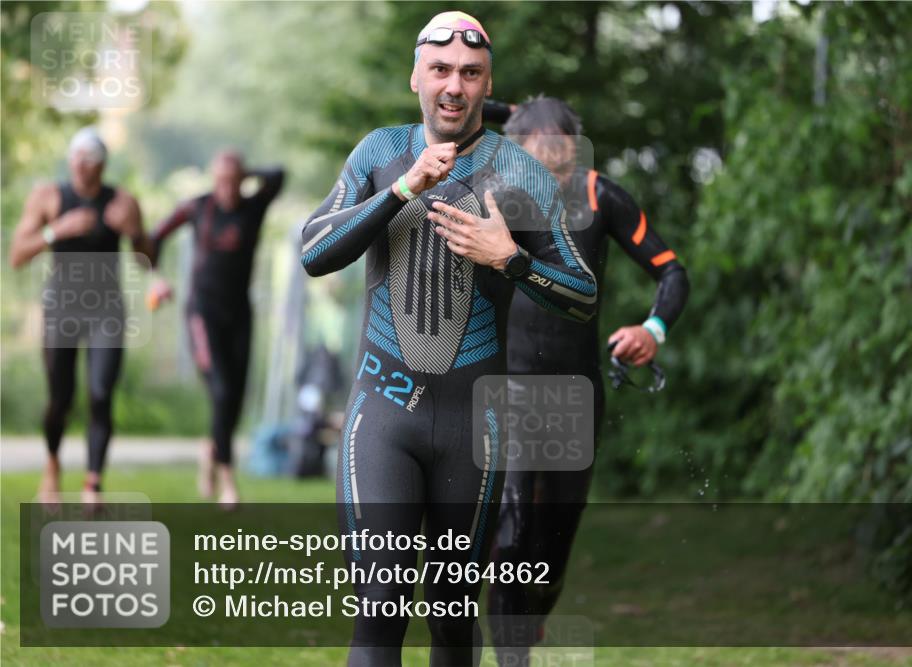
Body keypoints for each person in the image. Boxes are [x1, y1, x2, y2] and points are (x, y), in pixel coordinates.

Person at [300, 12, 597, 667]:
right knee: (380, 608)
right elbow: (314, 251)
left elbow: (583, 292)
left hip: (474, 423)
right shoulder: (380, 154)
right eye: (440, 70)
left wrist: (511, 259)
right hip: (384, 413)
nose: (454, 85)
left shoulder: (519, 173)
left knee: (452, 622)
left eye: (470, 73)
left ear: (488, 84)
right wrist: (402, 191)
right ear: (417, 77)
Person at [488, 96, 690, 666]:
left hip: (576, 394)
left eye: (562, 165)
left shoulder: (602, 195)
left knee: (552, 547)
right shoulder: (493, 195)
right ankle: (512, 656)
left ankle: (532, 619)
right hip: (506, 389)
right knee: (513, 529)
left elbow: (672, 271)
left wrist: (653, 328)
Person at [9, 127, 153, 507]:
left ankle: (93, 484)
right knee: (60, 397)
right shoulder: (49, 198)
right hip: (62, 309)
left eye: (89, 159)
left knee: (101, 393)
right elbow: (17, 255)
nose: (81, 165)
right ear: (69, 160)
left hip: (106, 310)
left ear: (102, 165)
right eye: (76, 157)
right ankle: (53, 466)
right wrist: (57, 230)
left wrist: (135, 233)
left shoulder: (122, 203)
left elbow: (148, 259)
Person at [147, 151, 284, 508]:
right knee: (221, 393)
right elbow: (154, 237)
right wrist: (155, 278)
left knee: (235, 397)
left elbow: (279, 174)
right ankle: (227, 480)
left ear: (242, 179)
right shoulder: (198, 208)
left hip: (239, 314)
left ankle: (210, 451)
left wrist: (243, 169)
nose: (226, 187)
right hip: (202, 315)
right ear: (212, 179)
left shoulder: (253, 207)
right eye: (220, 180)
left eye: (233, 180)